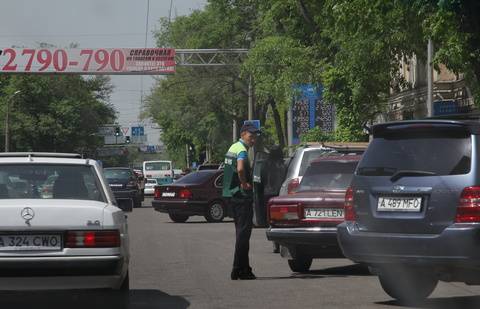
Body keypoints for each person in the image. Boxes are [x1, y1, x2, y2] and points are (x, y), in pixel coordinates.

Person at [223, 122, 260, 280]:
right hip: (241, 196)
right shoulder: (242, 150)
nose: (253, 140)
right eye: (251, 136)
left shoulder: (233, 147)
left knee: (241, 233)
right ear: (243, 134)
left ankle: (244, 269)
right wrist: (244, 183)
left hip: (231, 196)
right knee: (243, 235)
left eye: (255, 137)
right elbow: (239, 168)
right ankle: (237, 268)